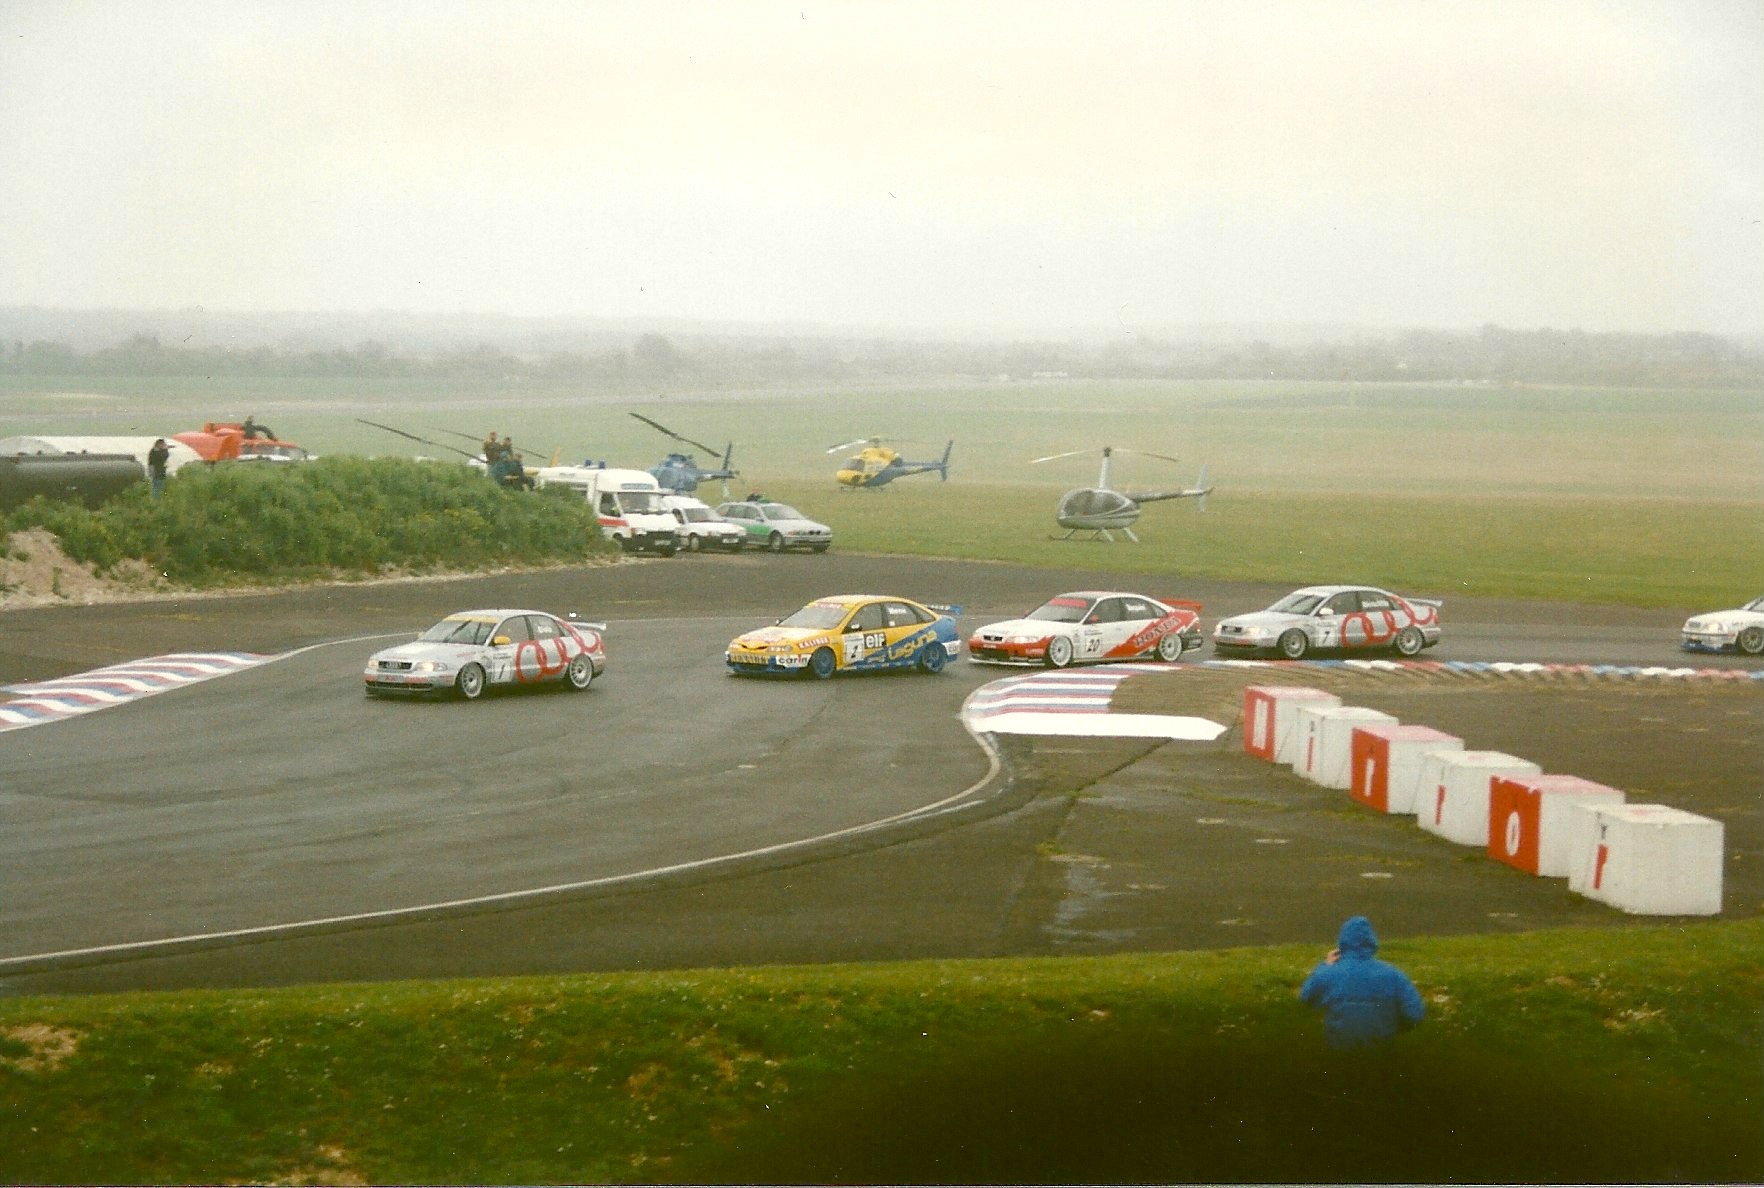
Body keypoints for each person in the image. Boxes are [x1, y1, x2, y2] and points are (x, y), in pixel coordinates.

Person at [1299, 915, 1424, 1050]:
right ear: (1371, 941)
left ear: (1342, 943)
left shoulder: (1329, 973)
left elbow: (1306, 997)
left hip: (1339, 1052)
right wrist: (1394, 1028)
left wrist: (1325, 965)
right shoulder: (1393, 974)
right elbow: (1414, 1014)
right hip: (1382, 1052)